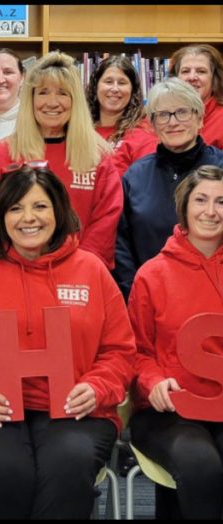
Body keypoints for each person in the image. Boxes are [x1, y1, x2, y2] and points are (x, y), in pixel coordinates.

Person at [0, 165, 135, 519]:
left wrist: (97, 387)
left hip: (73, 409)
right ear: (0, 216)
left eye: (39, 206)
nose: (28, 218)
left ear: (58, 210)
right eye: (15, 208)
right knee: (5, 473)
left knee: (66, 469)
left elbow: (119, 350)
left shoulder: (92, 269)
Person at [128, 164, 223, 520]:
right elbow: (135, 351)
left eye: (221, 201)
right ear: (184, 206)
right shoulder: (152, 275)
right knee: (200, 465)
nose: (211, 211)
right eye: (201, 199)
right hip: (169, 411)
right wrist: (153, 382)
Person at [0, 50, 122, 271]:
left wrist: (75, 268)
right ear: (31, 98)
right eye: (43, 92)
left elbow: (106, 222)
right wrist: (15, 263)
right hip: (15, 270)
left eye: (63, 93)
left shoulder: (98, 155)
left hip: (77, 275)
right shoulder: (6, 151)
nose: (52, 102)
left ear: (75, 100)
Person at [114, 77, 223, 301]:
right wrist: (135, 292)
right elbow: (120, 243)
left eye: (182, 112)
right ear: (152, 125)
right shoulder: (136, 176)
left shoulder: (220, 167)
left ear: (200, 118)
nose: (173, 122)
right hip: (150, 297)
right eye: (162, 115)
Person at [87, 55, 158, 177]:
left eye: (122, 83)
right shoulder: (79, 129)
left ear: (132, 91)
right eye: (108, 82)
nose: (115, 89)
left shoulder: (144, 135)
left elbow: (146, 186)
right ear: (95, 87)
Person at [170, 43, 223, 150]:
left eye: (201, 71)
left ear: (214, 79)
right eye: (185, 71)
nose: (192, 77)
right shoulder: (161, 115)